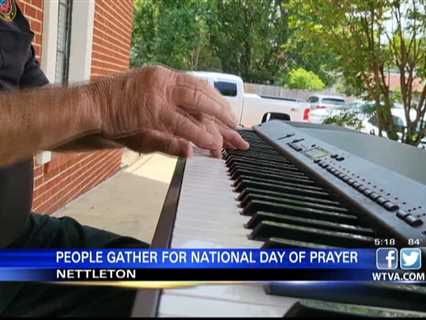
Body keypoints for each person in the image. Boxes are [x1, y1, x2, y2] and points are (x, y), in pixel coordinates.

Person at [0, 0, 249, 317]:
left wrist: (122, 129)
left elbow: (37, 117)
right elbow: (95, 106)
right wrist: (103, 103)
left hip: (20, 243)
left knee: (183, 289)